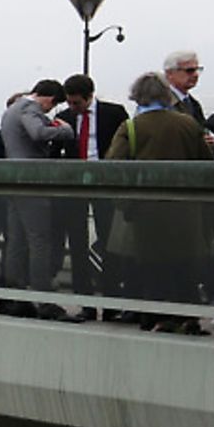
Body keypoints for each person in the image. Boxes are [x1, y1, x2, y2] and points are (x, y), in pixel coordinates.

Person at [106, 71, 213, 333]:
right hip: (186, 211)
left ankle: (156, 318)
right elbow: (208, 165)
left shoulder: (131, 127)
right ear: (166, 95)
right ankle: (188, 317)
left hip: (146, 212)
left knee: (152, 268)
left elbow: (112, 166)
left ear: (137, 96)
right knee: (184, 266)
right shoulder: (188, 124)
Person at [0, 79, 78, 321]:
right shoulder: (29, 109)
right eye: (51, 106)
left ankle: (15, 299)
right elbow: (38, 132)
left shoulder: (12, 109)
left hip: (15, 183)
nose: (49, 111)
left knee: (16, 243)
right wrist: (65, 130)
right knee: (40, 242)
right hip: (33, 184)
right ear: (48, 98)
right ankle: (46, 302)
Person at [50, 74, 127, 318]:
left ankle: (113, 303)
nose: (73, 108)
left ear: (89, 96)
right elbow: (53, 155)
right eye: (70, 103)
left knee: (109, 244)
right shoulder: (64, 118)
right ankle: (86, 303)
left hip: (105, 183)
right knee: (77, 244)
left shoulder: (114, 114)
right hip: (75, 186)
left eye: (77, 104)